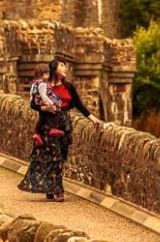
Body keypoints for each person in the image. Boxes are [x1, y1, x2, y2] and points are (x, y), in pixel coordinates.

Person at [18, 58, 101, 202]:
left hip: (64, 125)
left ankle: (50, 187)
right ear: (55, 69)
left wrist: (92, 118)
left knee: (60, 156)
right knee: (54, 157)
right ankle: (58, 190)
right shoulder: (43, 85)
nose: (65, 69)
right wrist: (44, 108)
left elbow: (79, 104)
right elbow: (33, 104)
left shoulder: (68, 86)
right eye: (62, 66)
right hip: (48, 125)